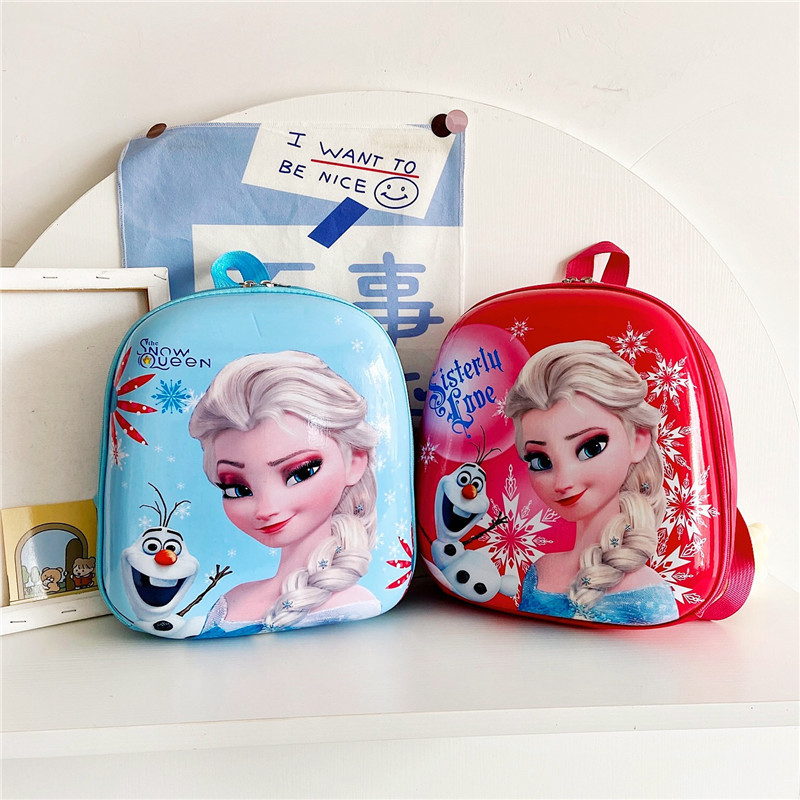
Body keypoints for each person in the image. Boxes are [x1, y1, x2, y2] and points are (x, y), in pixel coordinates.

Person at [188, 350, 380, 635]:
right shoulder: (231, 601)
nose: (266, 509)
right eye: (238, 489)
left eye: (300, 473)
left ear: (354, 461)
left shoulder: (354, 603)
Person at [504, 340, 678, 625]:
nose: (563, 481)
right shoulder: (539, 572)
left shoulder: (648, 594)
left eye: (591, 448)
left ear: (638, 440)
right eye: (541, 461)